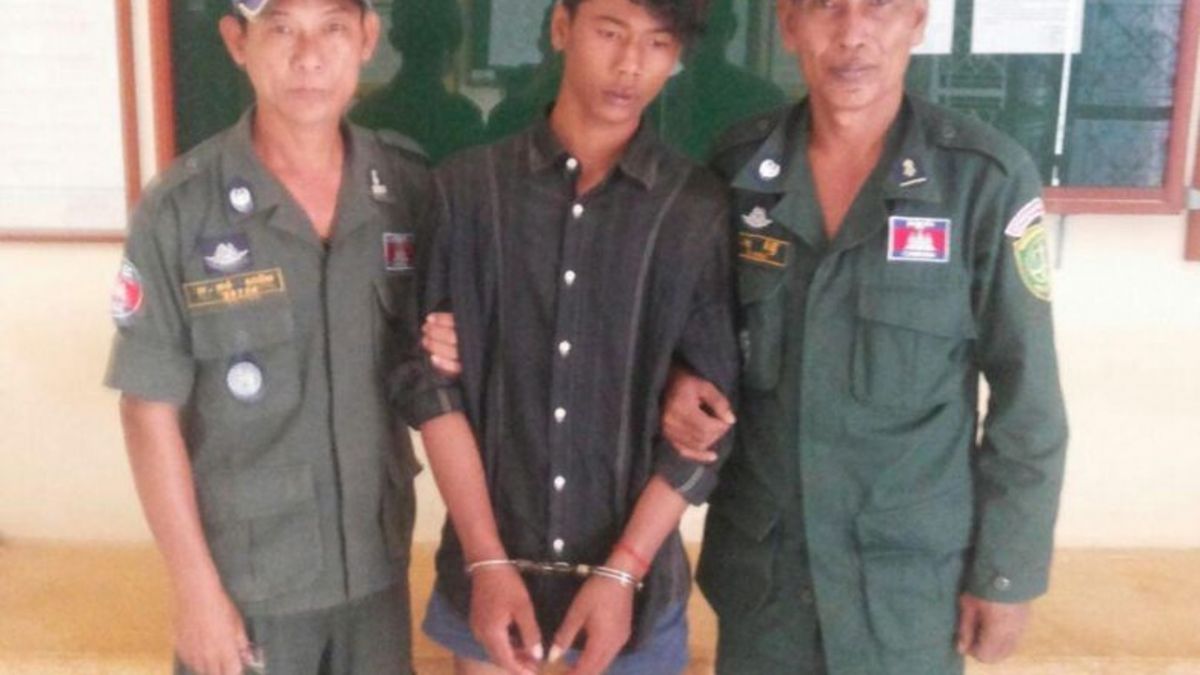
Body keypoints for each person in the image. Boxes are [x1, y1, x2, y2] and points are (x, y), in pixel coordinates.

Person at [659, 0, 1069, 673]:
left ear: (918, 20)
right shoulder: (737, 169)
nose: (852, 33)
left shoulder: (982, 179)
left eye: (878, 6)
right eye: (826, 7)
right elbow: (692, 332)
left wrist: (1007, 572)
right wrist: (680, 381)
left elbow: (1028, 394)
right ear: (789, 25)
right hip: (767, 582)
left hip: (906, 588)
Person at [104, 1, 452, 673]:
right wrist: (195, 592)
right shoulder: (181, 208)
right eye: (282, 28)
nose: (308, 56)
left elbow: (431, 361)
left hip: (375, 573)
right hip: (246, 580)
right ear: (237, 41)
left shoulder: (406, 191)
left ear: (368, 39)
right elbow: (147, 410)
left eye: (333, 28)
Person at [414, 0, 739, 673]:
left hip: (636, 598)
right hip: (486, 582)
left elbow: (708, 425)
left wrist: (624, 569)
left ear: (677, 57)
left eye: (657, 43)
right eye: (610, 32)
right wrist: (486, 559)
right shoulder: (467, 191)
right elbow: (428, 387)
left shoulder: (696, 209)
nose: (629, 64)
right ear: (561, 28)